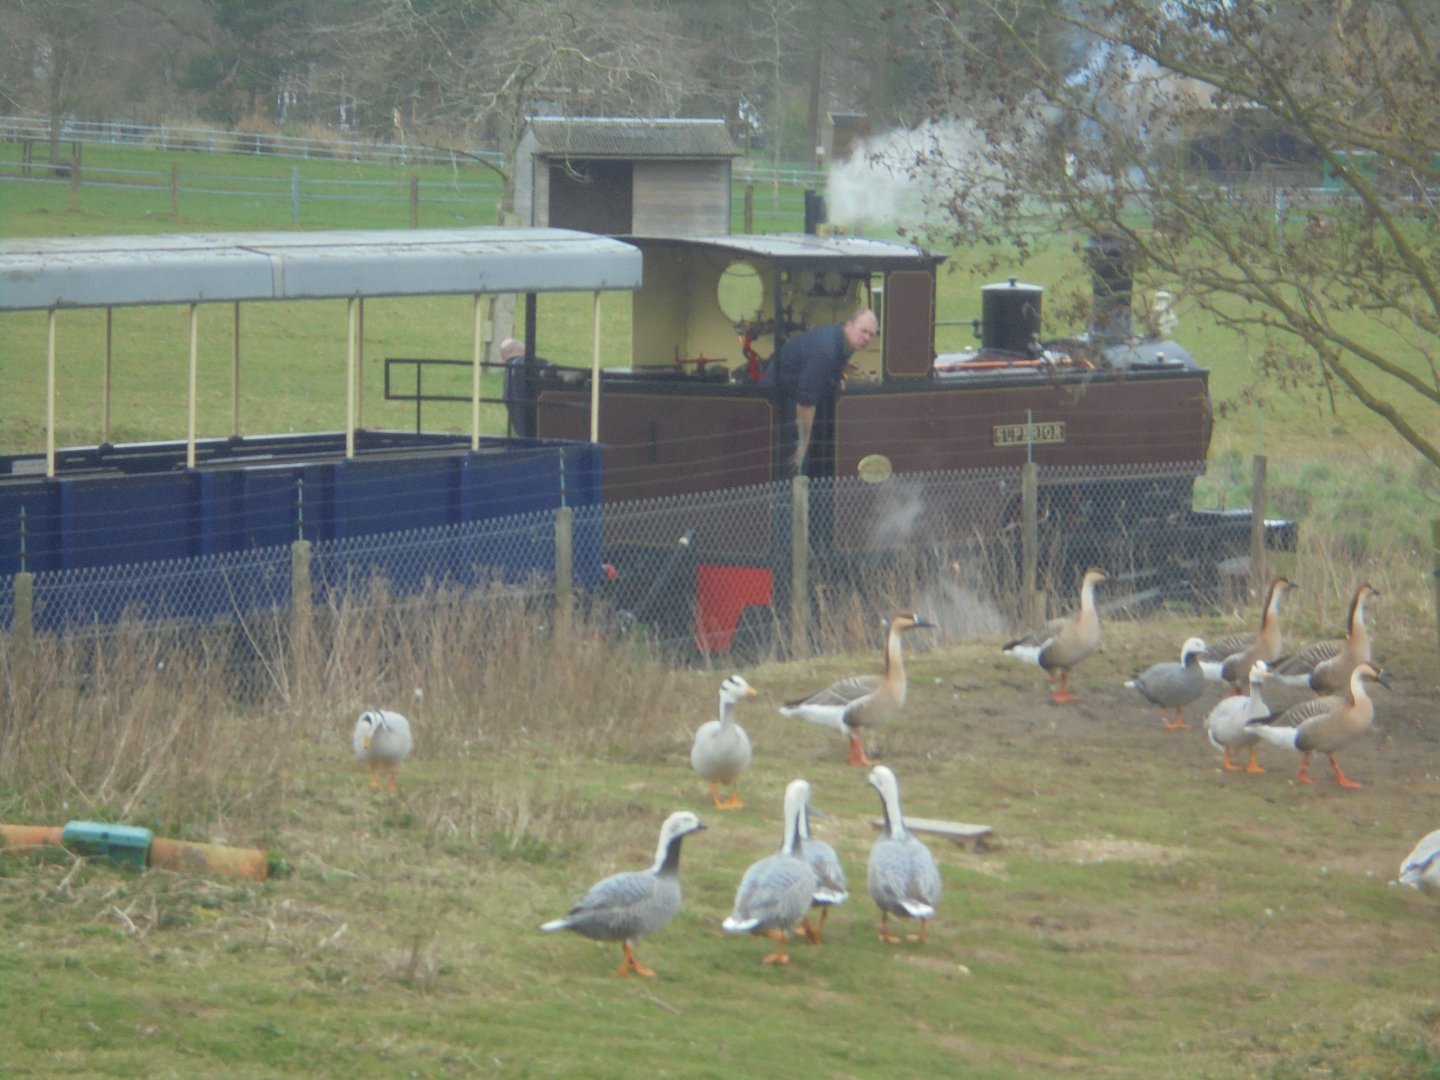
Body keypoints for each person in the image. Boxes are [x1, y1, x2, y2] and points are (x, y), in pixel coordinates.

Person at [760, 308, 878, 474]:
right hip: (779, 401)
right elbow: (805, 404)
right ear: (849, 325)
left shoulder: (843, 338)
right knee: (793, 462)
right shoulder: (826, 351)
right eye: (863, 331)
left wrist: (835, 378)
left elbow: (833, 365)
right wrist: (803, 445)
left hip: (792, 395)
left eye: (871, 335)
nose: (866, 338)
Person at [500, 337, 550, 437]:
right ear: (521, 350)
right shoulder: (525, 362)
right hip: (539, 428)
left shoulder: (507, 378)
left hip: (522, 432)